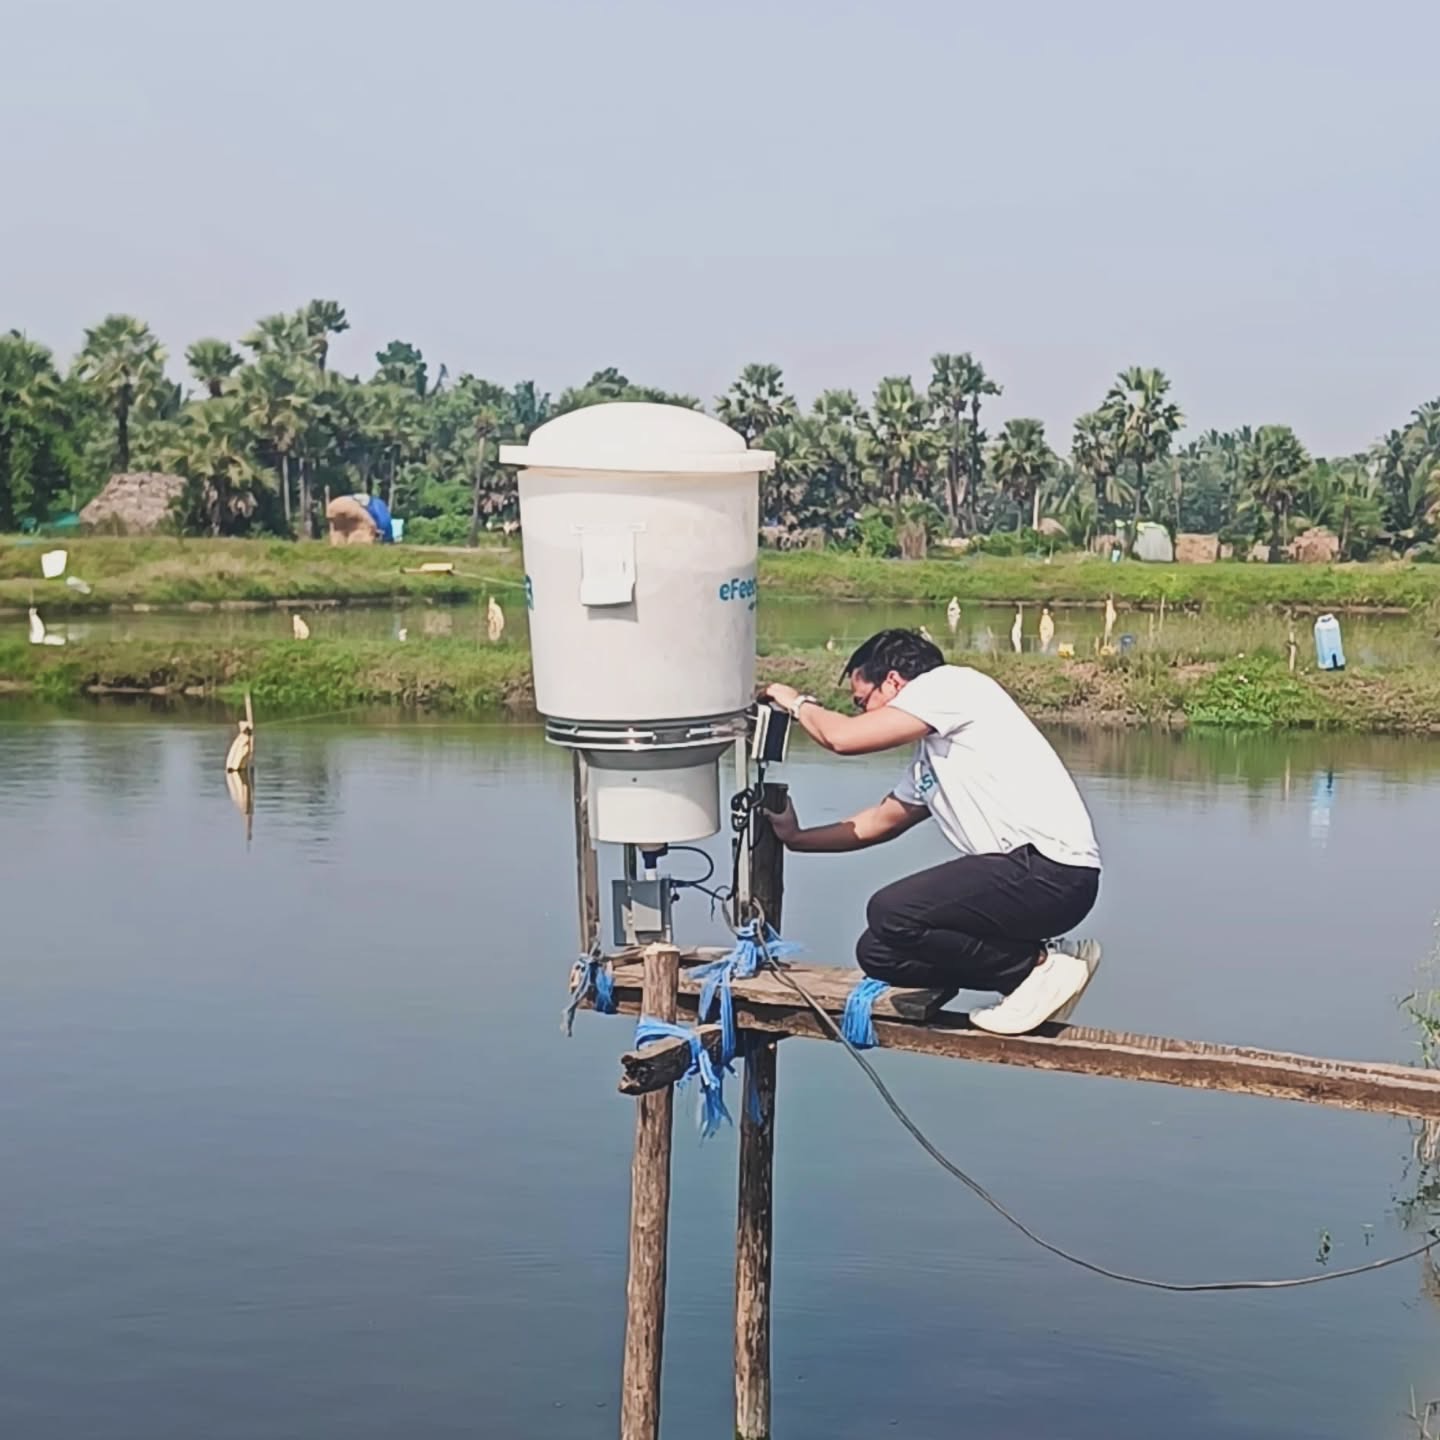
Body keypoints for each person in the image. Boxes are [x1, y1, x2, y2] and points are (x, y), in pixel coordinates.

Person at [761, 628, 1102, 1035]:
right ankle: (1033, 972)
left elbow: (841, 738)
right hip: (1023, 884)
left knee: (891, 911)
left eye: (862, 702)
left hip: (1051, 872)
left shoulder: (950, 685)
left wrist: (795, 701)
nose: (864, 715)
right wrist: (797, 838)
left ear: (893, 681)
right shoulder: (934, 758)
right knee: (879, 952)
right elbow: (879, 822)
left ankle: (1035, 969)